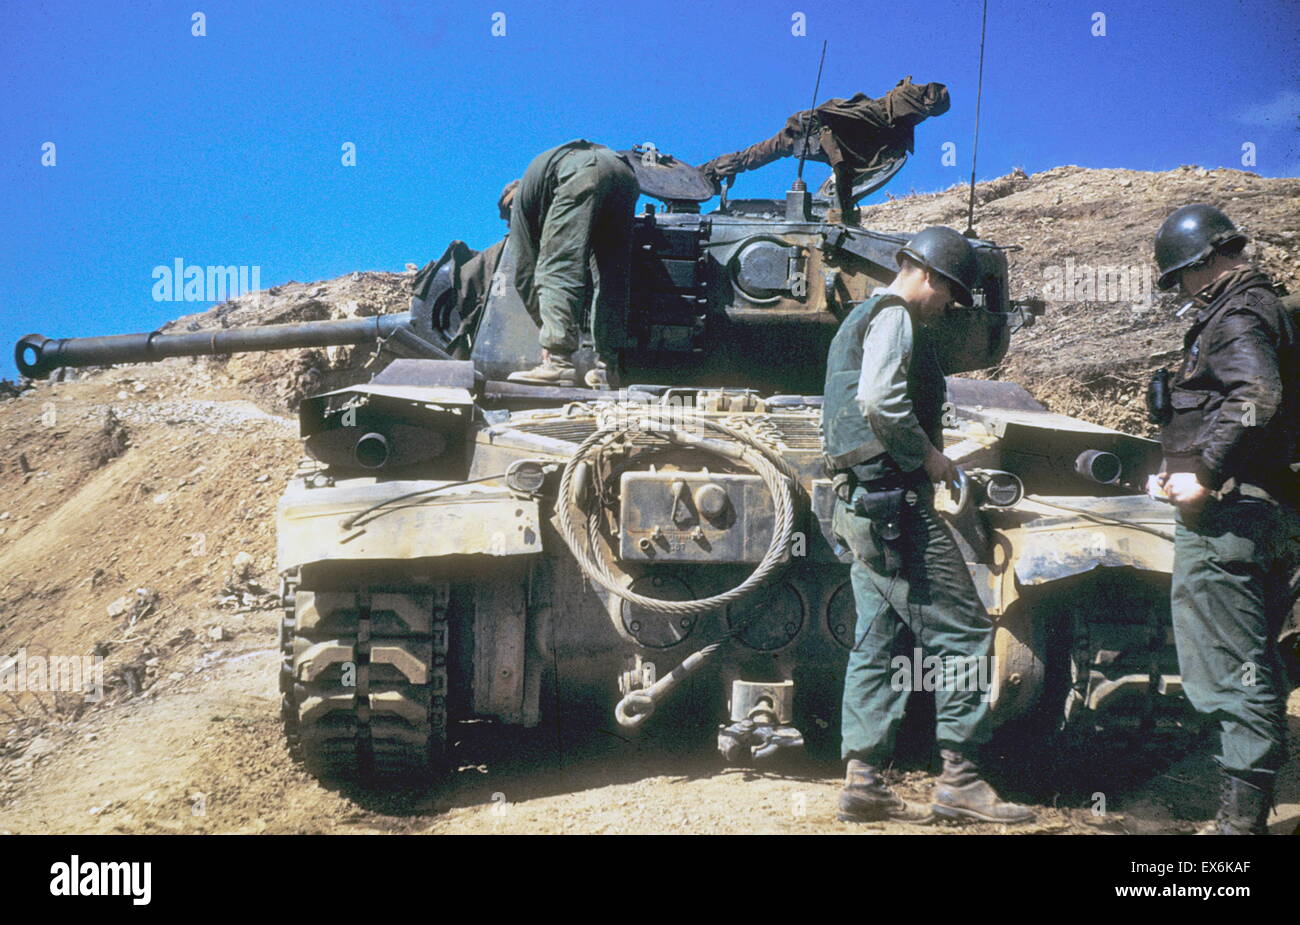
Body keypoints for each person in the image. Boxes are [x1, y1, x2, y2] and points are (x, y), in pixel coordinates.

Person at [822, 225, 1035, 825]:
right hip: (897, 504)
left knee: (880, 637)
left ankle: (863, 780)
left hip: (864, 505)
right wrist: (932, 459)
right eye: (951, 293)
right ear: (930, 276)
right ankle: (961, 782)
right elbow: (881, 404)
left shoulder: (857, 319)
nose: (949, 306)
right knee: (966, 630)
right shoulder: (894, 316)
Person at [1148, 203, 1300, 835]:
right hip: (1266, 510)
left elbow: (1255, 396)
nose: (1181, 289)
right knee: (1256, 664)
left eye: (1182, 276)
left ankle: (1238, 834)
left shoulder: (1235, 314)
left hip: (1229, 519)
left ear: (1204, 263)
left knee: (1231, 670)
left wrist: (1203, 472)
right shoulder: (1269, 311)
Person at [699, 76, 950, 223]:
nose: (919, 118)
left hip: (822, 141)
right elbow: (818, 122)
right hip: (809, 132)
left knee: (761, 153)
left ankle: (712, 172)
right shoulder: (874, 115)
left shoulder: (893, 134)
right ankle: (709, 172)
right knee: (761, 152)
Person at [506, 140, 639, 389]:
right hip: (625, 173)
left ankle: (557, 364)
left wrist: (551, 334)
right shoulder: (540, 181)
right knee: (613, 276)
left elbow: (525, 274)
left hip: (582, 170)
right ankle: (607, 369)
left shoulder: (521, 204)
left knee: (557, 264)